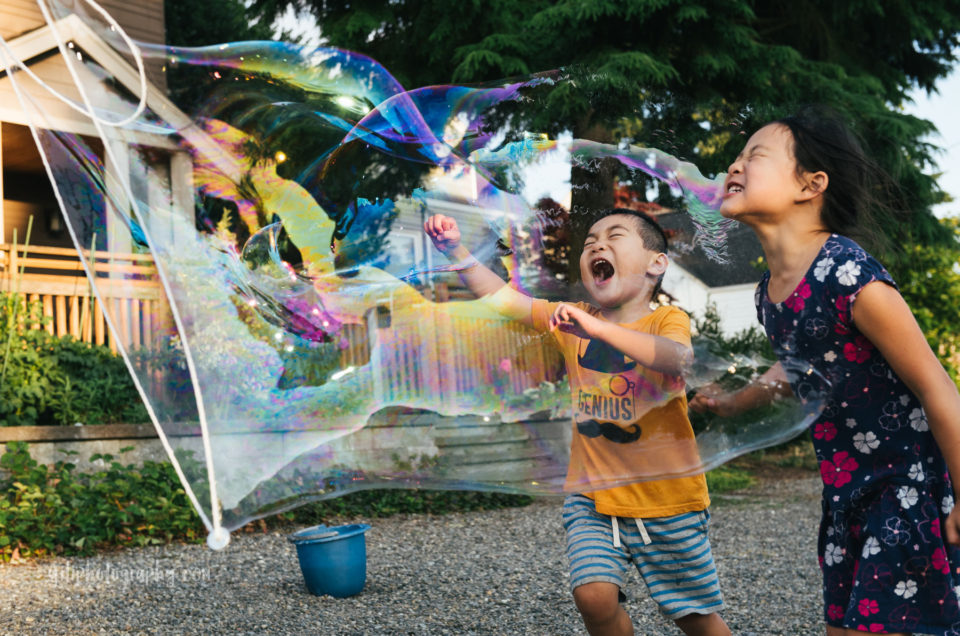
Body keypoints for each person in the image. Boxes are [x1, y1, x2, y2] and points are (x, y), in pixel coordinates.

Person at [690, 107, 960, 636]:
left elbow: (937, 385)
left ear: (810, 185)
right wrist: (731, 402)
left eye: (754, 155)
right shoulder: (769, 293)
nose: (734, 165)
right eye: (737, 155)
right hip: (844, 494)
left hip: (905, 490)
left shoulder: (848, 271)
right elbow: (797, 365)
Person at [425, 208, 731, 636]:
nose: (597, 245)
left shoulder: (665, 320)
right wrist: (456, 250)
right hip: (593, 496)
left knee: (694, 615)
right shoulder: (571, 319)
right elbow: (506, 301)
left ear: (656, 264)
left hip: (667, 498)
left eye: (614, 236)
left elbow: (675, 357)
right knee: (592, 595)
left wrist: (599, 330)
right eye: (589, 242)